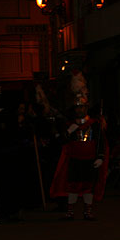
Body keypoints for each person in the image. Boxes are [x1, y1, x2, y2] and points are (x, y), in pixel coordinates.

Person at [50, 75, 108, 220]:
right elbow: (62, 142)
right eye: (77, 107)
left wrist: (100, 156)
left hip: (90, 160)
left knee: (89, 187)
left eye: (82, 107)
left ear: (86, 108)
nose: (79, 110)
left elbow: (100, 141)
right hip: (75, 160)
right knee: (73, 186)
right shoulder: (70, 125)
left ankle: (87, 211)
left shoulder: (94, 124)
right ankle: (70, 211)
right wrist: (68, 132)